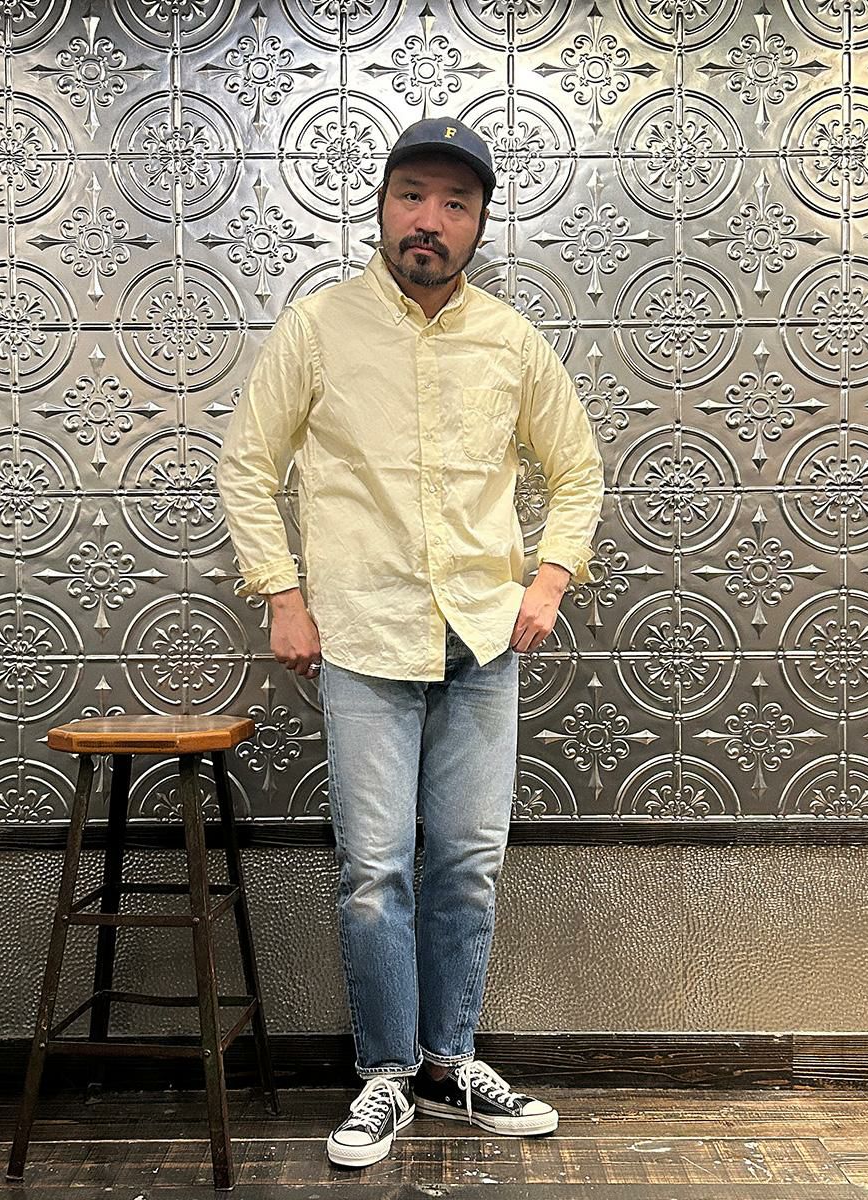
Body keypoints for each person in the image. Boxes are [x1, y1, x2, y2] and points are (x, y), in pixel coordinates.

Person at [217, 117, 604, 1169]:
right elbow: (248, 465)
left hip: (482, 638)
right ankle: (385, 1075)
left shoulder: (511, 341)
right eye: (411, 196)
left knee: (468, 866)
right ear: (383, 206)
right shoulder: (319, 327)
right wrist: (282, 594)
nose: (428, 220)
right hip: (363, 634)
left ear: (479, 224)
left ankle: (450, 1061)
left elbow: (577, 469)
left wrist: (550, 579)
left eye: (454, 203)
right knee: (375, 870)